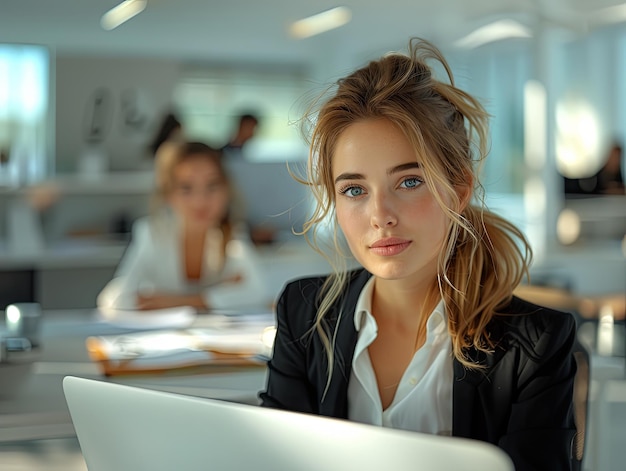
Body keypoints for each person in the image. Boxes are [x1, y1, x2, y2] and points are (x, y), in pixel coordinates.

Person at [260, 38, 578, 471]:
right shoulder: (304, 314)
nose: (380, 216)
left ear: (460, 189)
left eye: (409, 181)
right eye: (354, 190)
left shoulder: (533, 344)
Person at [97, 141, 268, 313]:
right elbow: (114, 299)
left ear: (226, 189)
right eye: (186, 188)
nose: (200, 201)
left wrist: (176, 301)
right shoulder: (152, 234)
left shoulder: (232, 235)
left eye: (212, 186)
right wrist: (219, 295)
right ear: (168, 194)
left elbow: (257, 292)